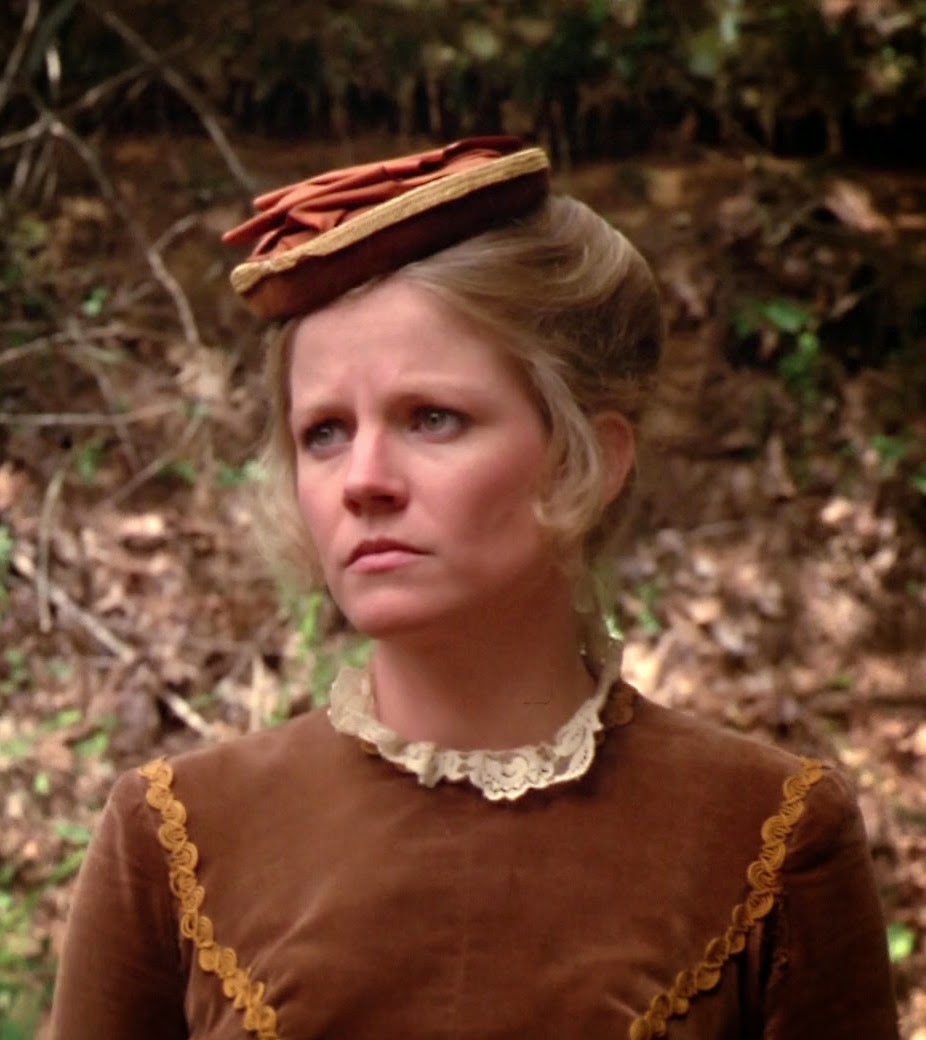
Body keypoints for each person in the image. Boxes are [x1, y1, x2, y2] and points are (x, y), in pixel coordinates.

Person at [49, 137, 899, 1039]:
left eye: (432, 418)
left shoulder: (765, 832)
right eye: (325, 432)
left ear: (586, 456)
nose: (363, 481)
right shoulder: (176, 837)